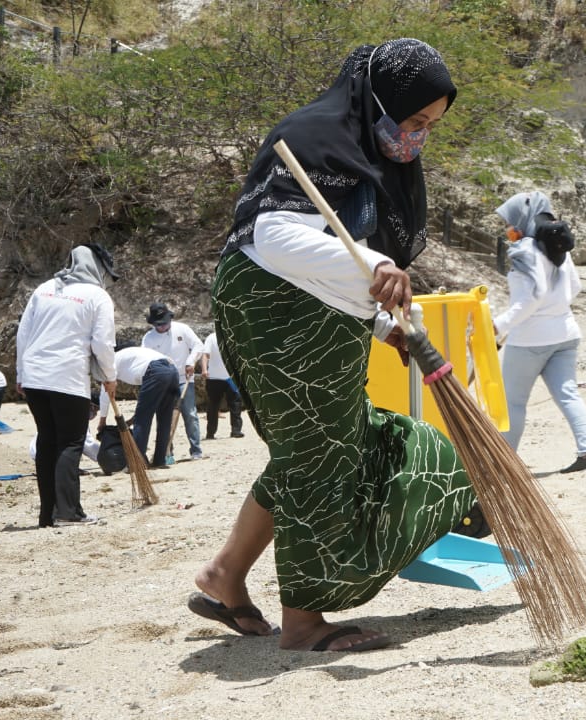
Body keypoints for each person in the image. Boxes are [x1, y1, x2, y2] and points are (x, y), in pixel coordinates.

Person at [189, 38, 471, 652]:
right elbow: (275, 236)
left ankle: (224, 575)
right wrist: (376, 262)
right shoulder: (316, 136)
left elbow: (334, 266)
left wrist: (381, 323)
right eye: (414, 119)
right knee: (322, 453)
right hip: (276, 308)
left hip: (314, 311)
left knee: (317, 444)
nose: (418, 136)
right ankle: (305, 621)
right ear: (379, 99)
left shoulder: (373, 155)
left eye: (430, 126)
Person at [491, 191, 586, 474]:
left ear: (522, 218)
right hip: (566, 333)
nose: (508, 227)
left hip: (530, 339)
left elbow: (531, 297)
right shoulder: (559, 247)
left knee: (513, 401)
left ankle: (505, 463)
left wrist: (499, 325)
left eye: (510, 220)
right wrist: (555, 307)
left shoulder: (525, 249)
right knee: (568, 394)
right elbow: (574, 287)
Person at [16, 243, 118, 528]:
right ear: (98, 268)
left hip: (35, 376)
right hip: (67, 377)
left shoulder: (43, 289)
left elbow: (23, 333)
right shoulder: (98, 296)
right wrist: (109, 376)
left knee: (47, 440)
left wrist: (20, 374)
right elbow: (102, 343)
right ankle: (68, 513)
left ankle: (47, 514)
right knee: (71, 443)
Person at [98, 343, 180, 469]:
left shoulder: (111, 362)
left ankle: (136, 463)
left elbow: (106, 393)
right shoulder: (132, 355)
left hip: (155, 370)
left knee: (142, 421)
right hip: (173, 370)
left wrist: (102, 421)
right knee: (164, 419)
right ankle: (159, 460)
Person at [142, 303, 205, 462]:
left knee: (190, 414)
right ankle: (167, 452)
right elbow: (144, 360)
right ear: (153, 323)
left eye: (165, 323)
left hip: (184, 379)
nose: (162, 326)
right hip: (162, 383)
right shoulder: (148, 339)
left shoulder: (182, 329)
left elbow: (198, 345)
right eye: (158, 324)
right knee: (165, 418)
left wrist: (191, 361)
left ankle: (196, 450)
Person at [202, 331, 244, 440]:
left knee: (235, 404)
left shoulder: (233, 336)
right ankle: (210, 433)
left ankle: (236, 431)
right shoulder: (211, 337)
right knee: (213, 406)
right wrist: (204, 369)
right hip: (214, 377)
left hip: (231, 377)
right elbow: (205, 354)